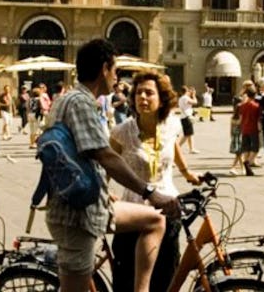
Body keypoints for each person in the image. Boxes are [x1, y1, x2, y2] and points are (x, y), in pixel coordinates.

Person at [43, 39, 178, 292]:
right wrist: (149, 192)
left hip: (87, 205)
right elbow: (105, 156)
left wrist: (104, 188)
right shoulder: (80, 102)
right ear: (104, 68)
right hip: (77, 214)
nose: (117, 79)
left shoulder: (68, 100)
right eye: (115, 71)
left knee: (154, 221)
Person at [109, 71, 201, 292]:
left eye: (149, 93)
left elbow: (173, 147)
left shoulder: (172, 125)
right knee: (128, 282)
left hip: (168, 209)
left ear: (162, 99)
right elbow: (104, 165)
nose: (142, 98)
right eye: (138, 93)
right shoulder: (122, 132)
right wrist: (105, 192)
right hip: (134, 213)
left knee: (165, 279)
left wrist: (187, 173)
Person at [238, 90, 262, 176]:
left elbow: (240, 119)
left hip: (244, 128)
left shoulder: (242, 106)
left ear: (247, 96)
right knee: (255, 147)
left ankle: (246, 167)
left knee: (246, 147)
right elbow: (258, 120)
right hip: (253, 129)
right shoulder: (257, 106)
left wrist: (241, 127)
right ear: (255, 95)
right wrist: (259, 130)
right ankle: (248, 162)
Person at [177, 86, 199, 154]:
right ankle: (177, 147)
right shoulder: (185, 98)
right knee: (187, 135)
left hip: (184, 117)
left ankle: (191, 148)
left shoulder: (181, 98)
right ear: (186, 91)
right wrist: (194, 95)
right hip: (186, 117)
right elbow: (195, 102)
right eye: (189, 91)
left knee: (190, 134)